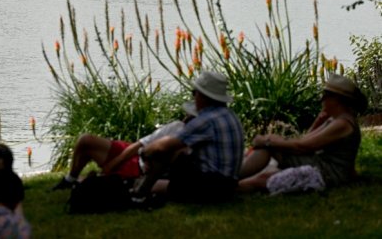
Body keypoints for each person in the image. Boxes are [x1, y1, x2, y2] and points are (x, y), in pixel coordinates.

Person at [238, 75, 367, 192]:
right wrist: (318, 122)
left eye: (324, 96)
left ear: (336, 99)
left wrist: (269, 141)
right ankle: (233, 179)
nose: (321, 100)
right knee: (268, 151)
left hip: (327, 173)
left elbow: (303, 146)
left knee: (263, 174)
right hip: (319, 166)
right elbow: (305, 140)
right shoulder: (335, 120)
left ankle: (230, 181)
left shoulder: (342, 124)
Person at [131, 71, 245, 204]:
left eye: (194, 93)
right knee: (180, 152)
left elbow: (162, 147)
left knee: (166, 152)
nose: (193, 97)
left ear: (202, 96)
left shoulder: (205, 121)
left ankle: (140, 193)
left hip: (211, 188)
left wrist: (144, 153)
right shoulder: (229, 115)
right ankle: (142, 191)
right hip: (228, 186)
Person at [51, 101, 198, 191]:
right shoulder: (177, 127)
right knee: (85, 140)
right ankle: (70, 179)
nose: (186, 116)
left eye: (190, 115)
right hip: (134, 155)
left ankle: (78, 181)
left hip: (139, 168)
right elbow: (139, 145)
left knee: (93, 181)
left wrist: (110, 168)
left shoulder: (195, 140)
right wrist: (115, 162)